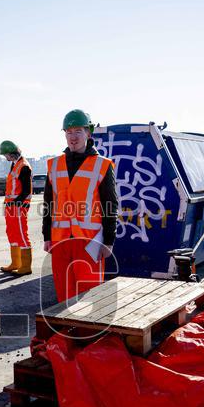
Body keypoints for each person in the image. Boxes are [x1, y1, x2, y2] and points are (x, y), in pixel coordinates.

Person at [42, 109, 118, 303]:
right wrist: (47, 236)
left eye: (78, 131)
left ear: (88, 133)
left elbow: (110, 204)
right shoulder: (54, 165)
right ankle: (66, 333)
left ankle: (90, 333)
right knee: (64, 294)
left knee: (89, 296)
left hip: (89, 242)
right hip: (60, 242)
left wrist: (109, 241)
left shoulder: (102, 165)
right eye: (68, 132)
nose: (73, 137)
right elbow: (49, 203)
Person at [0, 140, 32, 274]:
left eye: (5, 155)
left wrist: (16, 202)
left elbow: (26, 190)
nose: (5, 157)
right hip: (11, 207)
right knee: (12, 233)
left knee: (21, 234)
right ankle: (16, 262)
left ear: (10, 153)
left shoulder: (23, 166)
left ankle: (26, 266)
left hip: (18, 207)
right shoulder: (15, 164)